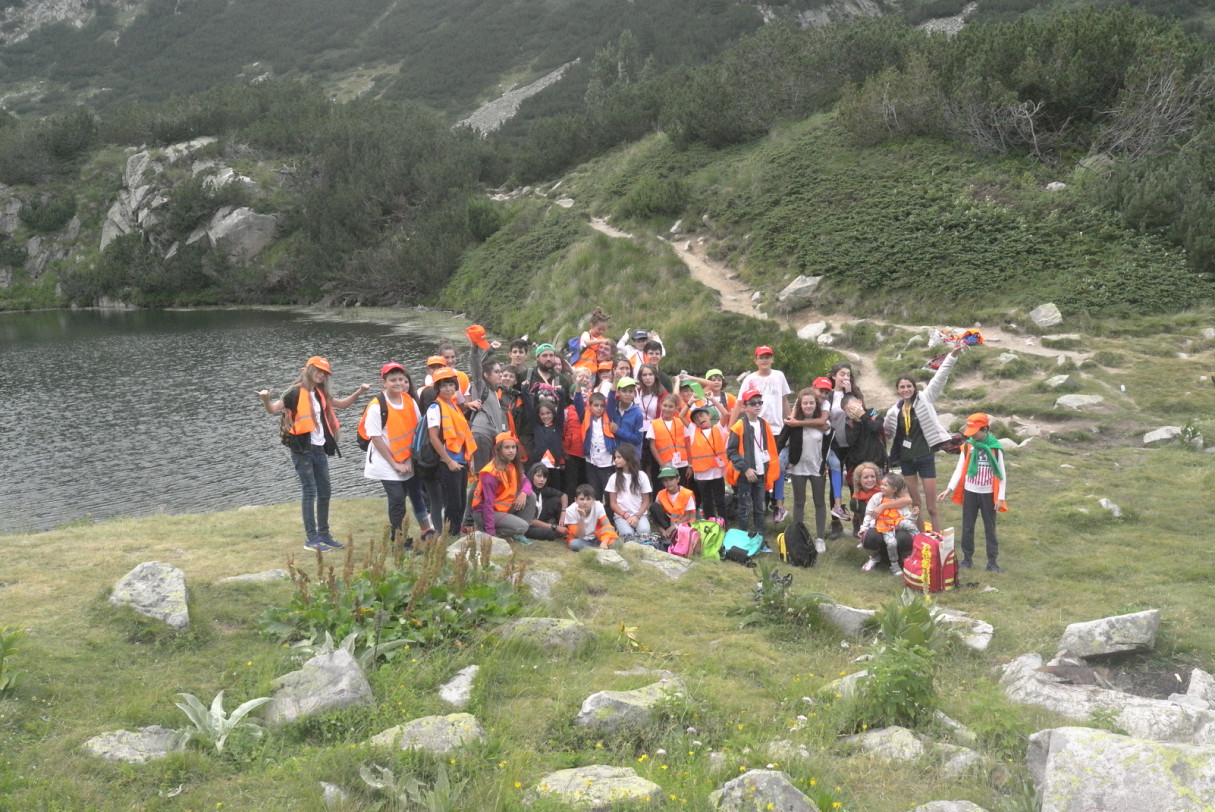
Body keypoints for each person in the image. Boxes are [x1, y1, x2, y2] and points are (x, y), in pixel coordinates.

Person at [257, 356, 369, 551]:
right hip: (302, 449)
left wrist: (359, 392)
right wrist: (266, 399)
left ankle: (324, 535)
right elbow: (272, 409)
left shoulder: (319, 392)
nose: (322, 375)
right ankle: (311, 538)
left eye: (325, 373)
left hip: (319, 448)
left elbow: (342, 404)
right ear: (308, 370)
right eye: (318, 371)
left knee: (325, 492)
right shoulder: (294, 392)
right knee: (310, 491)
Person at [884, 341, 965, 532]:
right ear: (898, 390)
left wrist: (952, 355)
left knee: (931, 506)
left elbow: (939, 378)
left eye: (909, 386)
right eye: (902, 387)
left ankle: (937, 540)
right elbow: (885, 433)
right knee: (915, 504)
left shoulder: (925, 399)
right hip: (906, 460)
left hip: (925, 456)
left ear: (914, 388)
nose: (906, 389)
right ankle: (921, 539)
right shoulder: (892, 412)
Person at [358, 362, 433, 549]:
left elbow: (416, 431)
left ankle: (427, 530)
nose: (398, 383)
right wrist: (395, 464)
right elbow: (376, 439)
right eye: (393, 380)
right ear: (384, 382)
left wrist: (408, 459)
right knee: (398, 499)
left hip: (407, 459)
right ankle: (399, 540)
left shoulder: (409, 401)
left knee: (416, 494)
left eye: (401, 379)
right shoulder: (377, 406)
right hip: (386, 462)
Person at [940, 412, 1007, 572]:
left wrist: (1000, 498)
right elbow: (960, 468)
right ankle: (967, 559)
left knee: (990, 528)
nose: (972, 436)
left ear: (985, 429)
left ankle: (992, 562)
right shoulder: (968, 446)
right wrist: (949, 488)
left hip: (988, 494)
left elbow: (1002, 475)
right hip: (970, 492)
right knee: (968, 526)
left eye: (975, 433)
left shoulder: (996, 449)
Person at [735, 345, 792, 522]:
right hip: (755, 428)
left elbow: (784, 399)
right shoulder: (750, 379)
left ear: (772, 359)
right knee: (758, 466)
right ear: (756, 360)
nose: (765, 360)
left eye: (768, 356)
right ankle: (760, 504)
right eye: (761, 357)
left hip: (775, 428)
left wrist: (790, 421)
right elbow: (739, 403)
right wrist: (731, 426)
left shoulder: (779, 375)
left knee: (776, 466)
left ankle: (777, 504)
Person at [426, 367, 477, 536]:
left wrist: (469, 457)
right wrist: (448, 461)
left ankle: (454, 533)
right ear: (437, 389)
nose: (448, 389)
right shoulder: (435, 408)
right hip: (447, 463)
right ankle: (449, 535)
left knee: (460, 501)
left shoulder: (454, 406)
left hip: (460, 460)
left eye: (451, 385)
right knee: (452, 502)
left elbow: (463, 435)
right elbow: (433, 437)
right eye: (444, 385)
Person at [726, 387, 779, 541]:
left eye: (759, 402)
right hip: (746, 475)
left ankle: (760, 539)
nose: (757, 405)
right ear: (745, 407)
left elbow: (769, 448)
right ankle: (744, 539)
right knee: (744, 508)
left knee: (760, 508)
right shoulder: (738, 426)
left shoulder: (764, 424)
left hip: (762, 473)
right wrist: (746, 469)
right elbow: (731, 452)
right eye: (753, 403)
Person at [784, 387, 830, 553]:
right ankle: (798, 536)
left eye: (811, 403)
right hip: (798, 467)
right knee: (799, 502)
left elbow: (828, 441)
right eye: (805, 403)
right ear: (800, 405)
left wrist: (826, 462)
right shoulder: (793, 422)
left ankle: (819, 538)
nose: (808, 406)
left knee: (819, 502)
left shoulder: (823, 424)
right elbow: (782, 439)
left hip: (817, 467)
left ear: (816, 404)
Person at [471, 432, 538, 540]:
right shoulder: (491, 473)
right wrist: (491, 535)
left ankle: (516, 532)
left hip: (502, 509)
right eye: (507, 447)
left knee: (531, 496)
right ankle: (489, 533)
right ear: (499, 450)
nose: (511, 450)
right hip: (484, 513)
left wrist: (524, 492)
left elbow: (526, 482)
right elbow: (488, 505)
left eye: (513, 447)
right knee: (523, 526)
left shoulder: (511, 465)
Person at [858, 472, 918, 575]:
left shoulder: (899, 501)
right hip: (879, 527)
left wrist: (913, 515)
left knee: (904, 536)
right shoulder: (877, 497)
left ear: (894, 489)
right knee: (869, 537)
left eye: (885, 485)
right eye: (881, 484)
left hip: (896, 527)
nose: (881, 487)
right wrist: (863, 528)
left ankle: (909, 554)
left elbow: (907, 519)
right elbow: (868, 514)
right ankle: (874, 558)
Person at [686, 407, 727, 520]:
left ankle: (723, 525)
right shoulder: (694, 431)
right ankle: (710, 524)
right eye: (696, 418)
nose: (699, 419)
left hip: (717, 473)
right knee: (707, 502)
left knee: (720, 501)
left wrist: (712, 398)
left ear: (709, 415)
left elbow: (725, 413)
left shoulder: (717, 428)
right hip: (702, 474)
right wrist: (690, 402)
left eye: (702, 415)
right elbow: (681, 416)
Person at [605, 444, 652, 537]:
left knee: (644, 531)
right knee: (628, 534)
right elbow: (613, 504)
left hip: (639, 515)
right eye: (615, 457)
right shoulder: (613, 478)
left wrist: (637, 516)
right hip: (621, 516)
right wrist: (626, 516)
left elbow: (646, 501)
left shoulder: (642, 476)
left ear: (628, 458)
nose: (616, 460)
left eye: (619, 457)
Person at [648, 394, 691, 495]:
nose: (667, 409)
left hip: (682, 463)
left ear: (676, 408)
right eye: (665, 405)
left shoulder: (681, 422)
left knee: (681, 490)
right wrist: (662, 464)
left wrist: (690, 464)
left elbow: (687, 444)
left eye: (670, 406)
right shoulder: (654, 423)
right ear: (660, 406)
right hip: (665, 463)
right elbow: (652, 446)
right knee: (664, 491)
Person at [576, 391, 616, 498]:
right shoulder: (585, 417)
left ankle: (608, 513)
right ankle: (595, 513)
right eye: (596, 405)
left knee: (608, 492)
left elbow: (612, 399)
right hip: (591, 461)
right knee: (594, 491)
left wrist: (614, 384)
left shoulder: (609, 416)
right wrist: (578, 386)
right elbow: (578, 403)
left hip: (607, 461)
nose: (599, 408)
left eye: (602, 406)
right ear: (589, 406)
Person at [563, 484, 619, 551]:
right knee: (574, 544)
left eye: (588, 499)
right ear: (576, 500)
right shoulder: (570, 511)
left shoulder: (598, 506)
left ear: (593, 500)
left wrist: (604, 542)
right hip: (581, 540)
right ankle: (596, 550)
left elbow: (608, 527)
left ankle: (598, 548)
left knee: (615, 543)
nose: (585, 502)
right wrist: (582, 518)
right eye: (581, 499)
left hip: (597, 537)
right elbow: (578, 536)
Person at [650, 466, 697, 542]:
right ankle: (667, 536)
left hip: (683, 525)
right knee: (653, 507)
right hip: (667, 525)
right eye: (665, 481)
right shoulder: (660, 494)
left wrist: (674, 527)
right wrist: (662, 530)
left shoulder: (687, 494)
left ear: (678, 479)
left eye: (671, 480)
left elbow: (688, 516)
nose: (668, 483)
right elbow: (656, 516)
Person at [530, 398, 566, 493]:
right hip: (539, 465)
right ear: (538, 416)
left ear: (554, 414)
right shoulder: (537, 427)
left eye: (548, 413)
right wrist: (525, 391)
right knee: (539, 490)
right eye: (542, 414)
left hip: (554, 465)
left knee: (555, 490)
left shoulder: (558, 427)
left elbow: (561, 409)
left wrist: (561, 394)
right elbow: (528, 408)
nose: (545, 416)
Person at [529, 463, 568, 533]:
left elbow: (564, 496)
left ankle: (561, 525)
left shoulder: (544, 489)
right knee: (549, 533)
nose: (542, 480)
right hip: (529, 523)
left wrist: (563, 512)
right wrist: (554, 527)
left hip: (541, 519)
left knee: (556, 501)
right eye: (538, 476)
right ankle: (554, 527)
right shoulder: (525, 492)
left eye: (544, 477)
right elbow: (530, 520)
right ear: (532, 476)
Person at [574, 308, 614, 375]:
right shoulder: (586, 334)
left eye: (603, 330)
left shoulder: (600, 338)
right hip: (581, 369)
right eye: (599, 329)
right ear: (591, 326)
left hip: (592, 371)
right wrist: (601, 341)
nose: (601, 332)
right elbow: (587, 342)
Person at [849, 462, 884, 539]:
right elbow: (863, 521)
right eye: (866, 477)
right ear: (859, 480)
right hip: (872, 527)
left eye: (872, 476)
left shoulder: (885, 488)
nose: (870, 480)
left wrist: (884, 505)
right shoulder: (856, 501)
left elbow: (907, 499)